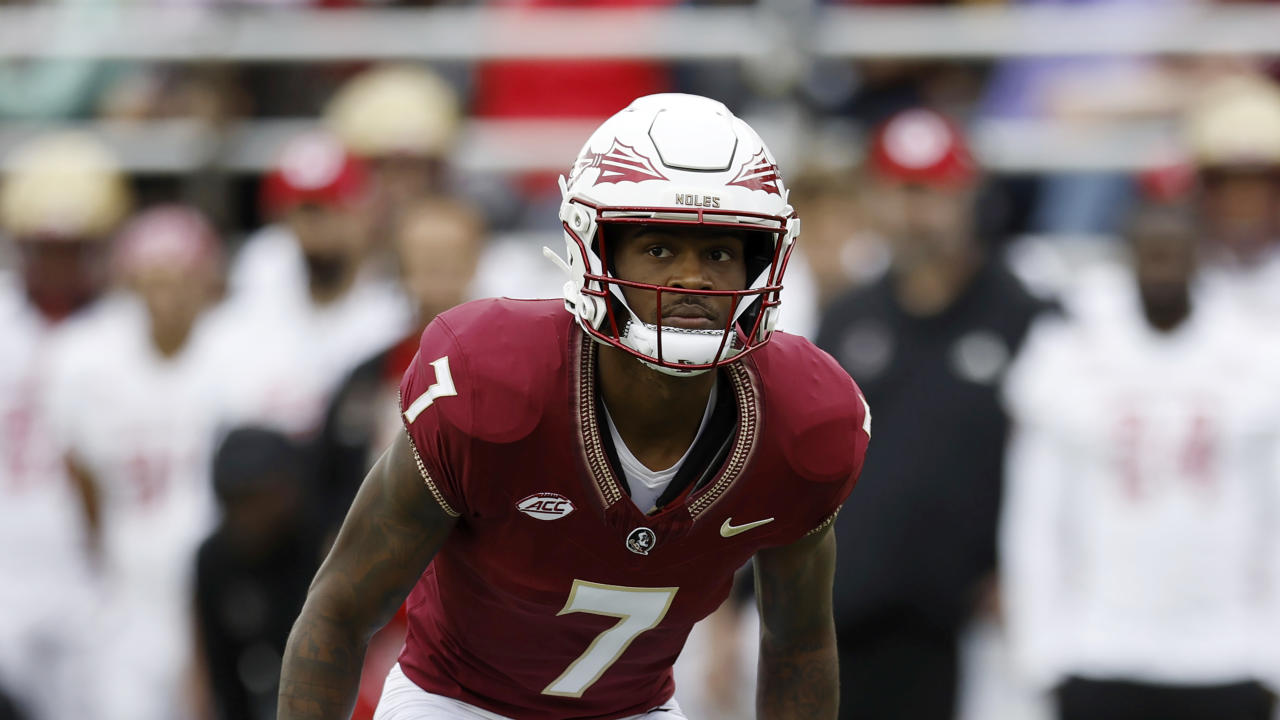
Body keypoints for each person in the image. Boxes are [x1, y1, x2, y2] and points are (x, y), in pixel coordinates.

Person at [279, 93, 870, 720]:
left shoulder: (804, 421)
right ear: (596, 249)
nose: (692, 279)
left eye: (720, 253)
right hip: (455, 703)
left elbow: (800, 644)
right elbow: (340, 609)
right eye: (660, 249)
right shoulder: (492, 385)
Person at [999, 204, 1280, 720]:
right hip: (1100, 648)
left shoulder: (1258, 356)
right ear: (1127, 261)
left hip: (1227, 652)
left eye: (1175, 255)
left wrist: (1271, 653)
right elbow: (1035, 518)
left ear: (1200, 260)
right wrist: (1039, 654)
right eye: (1151, 255)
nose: (1163, 269)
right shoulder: (1068, 356)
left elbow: (1274, 514)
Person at [815, 107, 1051, 720]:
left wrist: (1021, 567)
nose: (913, 212)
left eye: (931, 192)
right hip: (856, 609)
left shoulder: (1024, 316)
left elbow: (1052, 461)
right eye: (899, 190)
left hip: (977, 621)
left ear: (968, 192)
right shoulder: (848, 318)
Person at [44, 205, 226, 720]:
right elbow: (80, 474)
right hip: (129, 591)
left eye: (181, 280)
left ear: (206, 282)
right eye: (154, 281)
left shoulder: (238, 355)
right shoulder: (87, 361)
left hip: (214, 588)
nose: (167, 297)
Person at [0, 131, 130, 720]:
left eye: (70, 248)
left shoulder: (127, 328)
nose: (56, 264)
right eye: (44, 248)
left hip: (94, 570)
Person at [195, 427, 315, 720]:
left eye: (257, 498)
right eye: (237, 500)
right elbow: (216, 674)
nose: (249, 515)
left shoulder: (321, 543)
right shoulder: (215, 560)